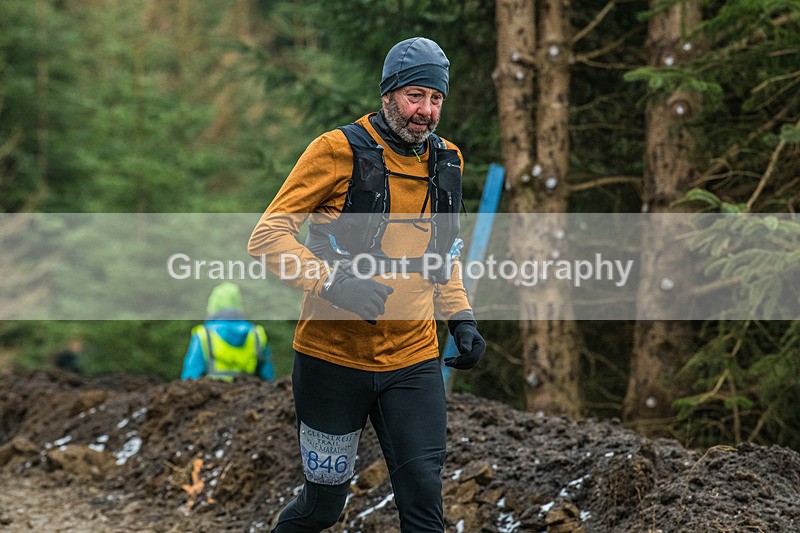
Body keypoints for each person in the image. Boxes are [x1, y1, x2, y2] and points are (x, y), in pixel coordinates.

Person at [248, 36, 486, 532]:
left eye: (436, 98)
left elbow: (443, 256)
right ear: (388, 93)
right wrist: (333, 283)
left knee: (424, 505)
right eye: (414, 96)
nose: (425, 111)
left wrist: (460, 317)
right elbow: (267, 238)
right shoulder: (335, 151)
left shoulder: (448, 162)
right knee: (322, 509)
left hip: (413, 360)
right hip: (331, 361)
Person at [180, 281, 275, 382]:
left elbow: (190, 377)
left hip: (213, 394)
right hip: (249, 394)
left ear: (213, 304)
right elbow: (268, 376)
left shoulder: (203, 334)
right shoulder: (256, 334)